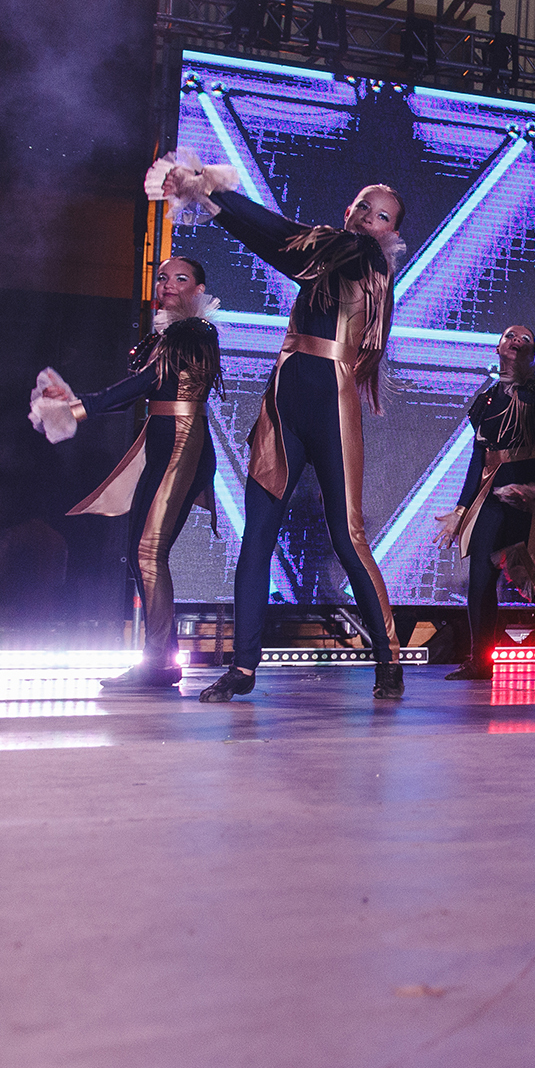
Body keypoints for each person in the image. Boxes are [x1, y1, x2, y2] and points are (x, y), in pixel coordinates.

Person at [146, 155, 407, 702]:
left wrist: (211, 194)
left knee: (348, 536)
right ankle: (243, 667)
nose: (368, 216)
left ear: (391, 232)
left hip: (331, 402)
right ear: (349, 209)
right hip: (286, 399)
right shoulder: (333, 252)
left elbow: (281, 240)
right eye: (363, 206)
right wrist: (209, 199)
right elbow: (282, 245)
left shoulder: (363, 258)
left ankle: (388, 656)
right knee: (257, 536)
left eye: (381, 215)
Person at [29, 257, 221, 689]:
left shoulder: (195, 332)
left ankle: (158, 663)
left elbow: (145, 382)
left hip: (181, 447)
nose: (168, 284)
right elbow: (142, 390)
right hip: (165, 446)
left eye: (181, 278)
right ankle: (162, 658)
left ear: (198, 290)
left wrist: (78, 407)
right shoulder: (169, 334)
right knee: (140, 553)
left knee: (148, 553)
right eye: (162, 277)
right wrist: (77, 404)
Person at [435, 325, 535, 680]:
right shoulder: (487, 400)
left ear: (532, 353)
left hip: (529, 497)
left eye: (525, 339)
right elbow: (478, 459)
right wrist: (461, 509)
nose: (516, 341)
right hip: (491, 496)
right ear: (497, 347)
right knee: (480, 578)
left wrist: (534, 486)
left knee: (527, 575)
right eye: (510, 335)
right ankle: (480, 661)